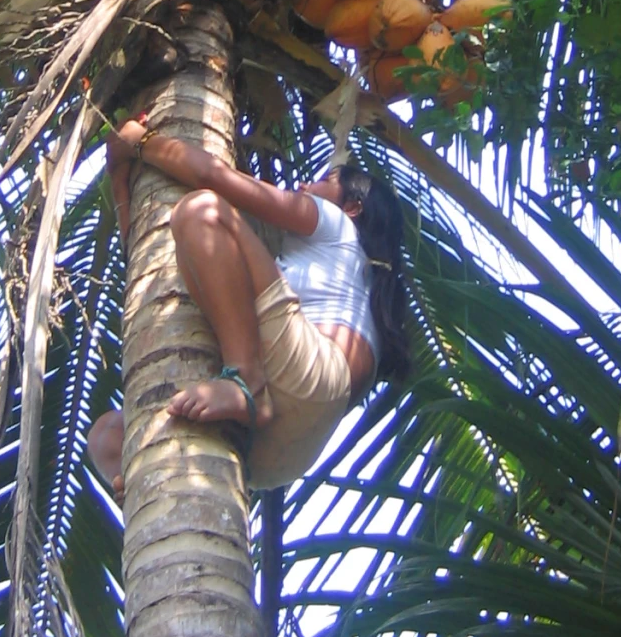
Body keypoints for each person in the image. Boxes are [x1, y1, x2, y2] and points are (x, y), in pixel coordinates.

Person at [87, 118, 410, 494]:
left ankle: (245, 379)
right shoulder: (340, 275)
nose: (304, 186)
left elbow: (215, 177)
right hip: (284, 453)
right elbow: (147, 260)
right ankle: (138, 491)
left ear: (352, 207)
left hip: (307, 371)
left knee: (202, 211)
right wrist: (121, 177)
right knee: (107, 434)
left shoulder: (336, 223)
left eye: (324, 181)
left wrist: (141, 141)